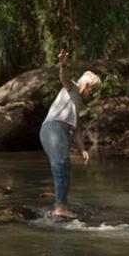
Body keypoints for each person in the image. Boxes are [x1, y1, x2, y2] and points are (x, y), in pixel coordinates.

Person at [39, 48, 101, 218]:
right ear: (87, 86)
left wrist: (83, 149)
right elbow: (63, 78)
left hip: (59, 131)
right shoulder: (72, 88)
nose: (93, 94)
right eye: (93, 90)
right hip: (53, 129)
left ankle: (61, 204)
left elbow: (77, 128)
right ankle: (60, 207)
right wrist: (63, 64)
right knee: (61, 165)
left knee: (64, 166)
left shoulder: (78, 102)